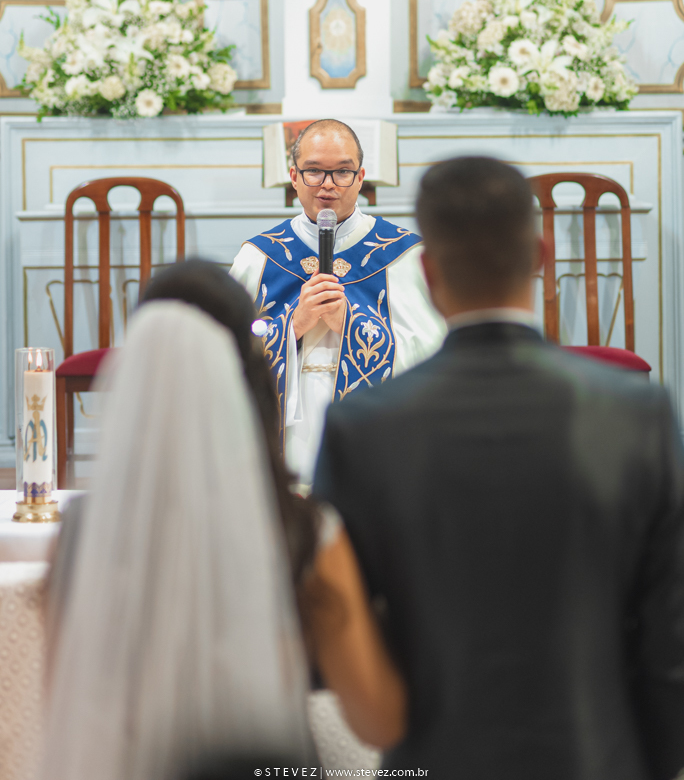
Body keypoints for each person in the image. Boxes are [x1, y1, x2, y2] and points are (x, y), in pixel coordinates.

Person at [314, 155, 684, 780]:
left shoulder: (365, 427)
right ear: (540, 253)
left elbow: (343, 632)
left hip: (435, 758)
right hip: (597, 756)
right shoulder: (636, 413)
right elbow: (671, 629)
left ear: (428, 273)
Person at [45, 263, 406, 780]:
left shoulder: (82, 530)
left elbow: (63, 693)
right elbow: (377, 720)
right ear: (250, 372)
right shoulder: (305, 529)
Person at [230, 118, 445, 485]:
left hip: (372, 434)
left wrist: (354, 326)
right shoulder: (259, 256)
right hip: (288, 434)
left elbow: (435, 356)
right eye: (314, 170)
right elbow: (225, 352)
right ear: (294, 177)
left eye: (342, 172)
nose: (327, 185)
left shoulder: (403, 255)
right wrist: (291, 326)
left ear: (360, 178)